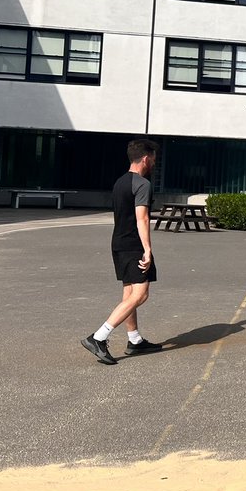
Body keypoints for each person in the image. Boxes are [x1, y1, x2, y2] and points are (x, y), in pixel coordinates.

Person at [81, 138, 165, 365]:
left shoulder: (120, 182)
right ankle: (98, 337)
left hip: (118, 244)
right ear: (146, 158)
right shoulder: (142, 184)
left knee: (129, 295)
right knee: (141, 295)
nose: (154, 164)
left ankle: (134, 340)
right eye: (154, 160)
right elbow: (142, 219)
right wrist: (147, 250)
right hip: (133, 245)